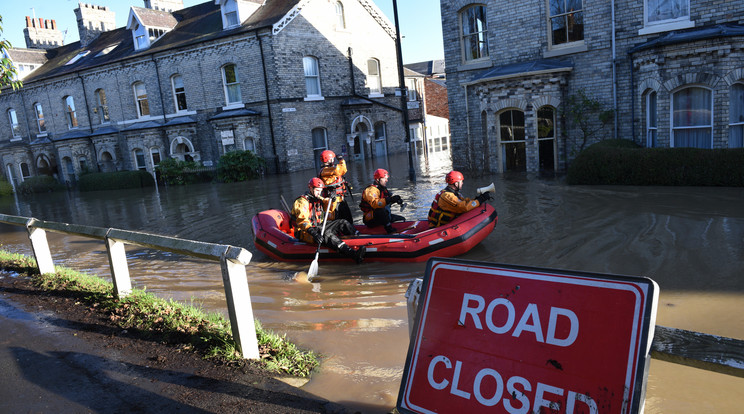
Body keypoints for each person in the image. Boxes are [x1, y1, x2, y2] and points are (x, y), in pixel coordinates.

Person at [291, 177, 365, 263]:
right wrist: (313, 233)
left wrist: (332, 200)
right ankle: (353, 254)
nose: (319, 193)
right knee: (327, 234)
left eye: (321, 191)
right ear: (311, 188)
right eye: (317, 190)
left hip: (318, 226)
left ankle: (361, 239)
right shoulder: (302, 202)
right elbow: (302, 221)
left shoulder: (318, 198)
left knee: (342, 222)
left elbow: (328, 207)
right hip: (305, 231)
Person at [359, 168, 405, 234]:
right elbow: (375, 203)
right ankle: (389, 230)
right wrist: (389, 199)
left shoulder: (383, 189)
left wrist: (395, 199)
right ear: (378, 179)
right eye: (384, 178)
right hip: (370, 218)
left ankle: (392, 228)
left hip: (383, 216)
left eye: (386, 178)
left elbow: (386, 201)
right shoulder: (371, 190)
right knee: (381, 211)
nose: (386, 180)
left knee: (401, 219)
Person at [318, 150, 354, 223]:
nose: (334, 160)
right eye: (332, 159)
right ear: (329, 159)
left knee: (348, 219)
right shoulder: (325, 171)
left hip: (340, 199)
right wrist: (341, 160)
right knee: (339, 220)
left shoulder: (331, 170)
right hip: (333, 201)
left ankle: (351, 230)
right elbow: (342, 170)